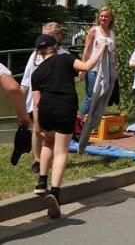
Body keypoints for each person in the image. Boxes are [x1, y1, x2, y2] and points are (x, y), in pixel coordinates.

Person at [31, 34, 106, 219]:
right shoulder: (65, 58)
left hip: (45, 110)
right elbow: (87, 67)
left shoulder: (37, 72)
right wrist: (101, 50)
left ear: (39, 52)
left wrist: (38, 125)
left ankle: (41, 182)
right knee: (61, 150)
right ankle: (55, 192)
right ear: (55, 47)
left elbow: (35, 102)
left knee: (48, 143)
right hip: (65, 107)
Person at [21, 22, 67, 173]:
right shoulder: (35, 55)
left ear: (58, 37)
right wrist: (21, 96)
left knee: (52, 131)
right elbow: (27, 77)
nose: (45, 39)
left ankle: (52, 158)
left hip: (56, 99)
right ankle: (37, 159)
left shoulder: (64, 55)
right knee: (37, 129)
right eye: (43, 35)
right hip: (37, 98)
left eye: (50, 36)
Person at [80, 6, 117, 115]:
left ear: (110, 18)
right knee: (90, 95)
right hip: (93, 68)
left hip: (106, 69)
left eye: (106, 16)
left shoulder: (112, 33)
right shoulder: (94, 31)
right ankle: (82, 121)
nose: (103, 18)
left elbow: (113, 51)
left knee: (101, 96)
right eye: (101, 16)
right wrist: (83, 67)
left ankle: (94, 121)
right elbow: (86, 49)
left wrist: (115, 66)